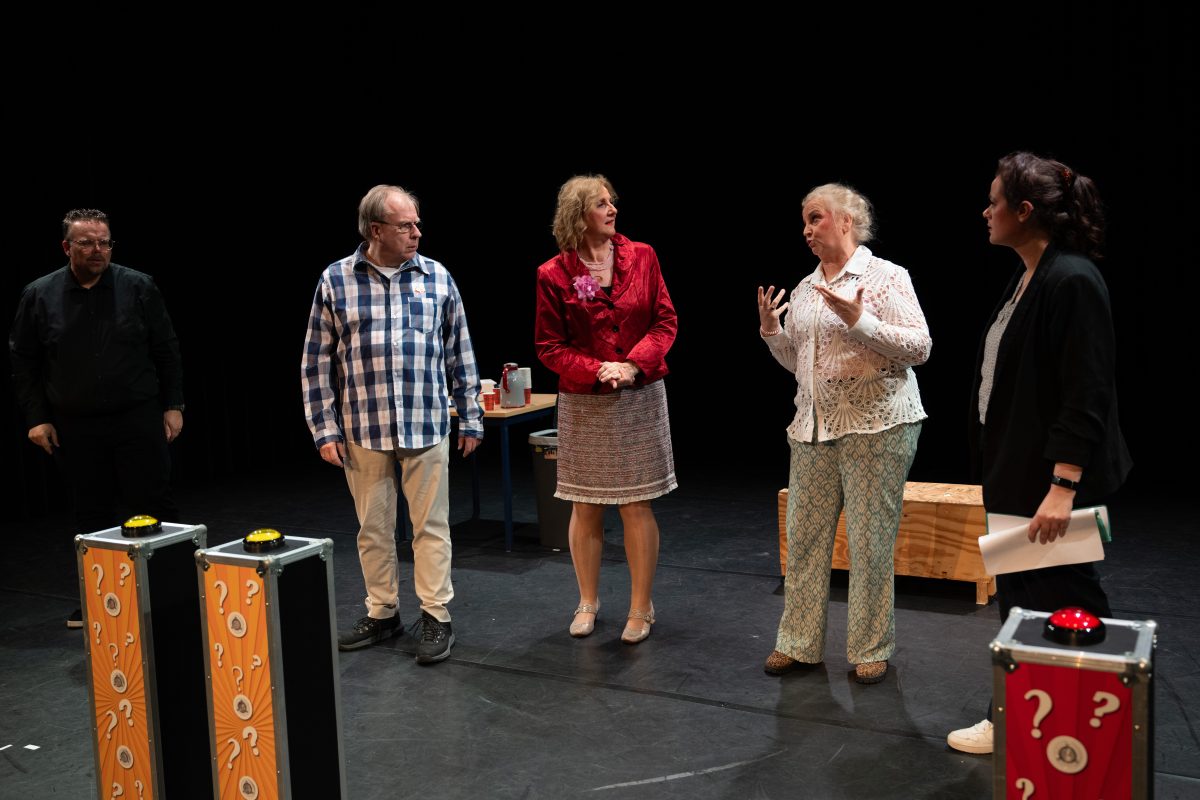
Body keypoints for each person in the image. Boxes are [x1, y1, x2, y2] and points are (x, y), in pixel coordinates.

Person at [947, 152, 1132, 753]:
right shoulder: (1028, 274)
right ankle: (1021, 718)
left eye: (994, 201)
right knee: (1022, 598)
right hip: (1015, 470)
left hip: (1050, 480)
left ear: (1024, 211)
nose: (986, 211)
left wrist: (1064, 484)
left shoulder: (1072, 279)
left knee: (1068, 597)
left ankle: (1094, 726)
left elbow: (1087, 391)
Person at [302, 184, 482, 664]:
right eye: (405, 226)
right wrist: (324, 429)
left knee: (432, 528)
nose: (417, 233)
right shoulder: (336, 280)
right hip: (364, 427)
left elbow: (459, 351)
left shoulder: (437, 277)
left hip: (425, 423)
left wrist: (471, 416)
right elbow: (316, 363)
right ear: (375, 229)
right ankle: (383, 613)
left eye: (417, 223)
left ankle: (437, 615)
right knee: (373, 530)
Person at [758, 183, 930, 684]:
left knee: (870, 541)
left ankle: (871, 647)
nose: (807, 230)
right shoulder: (806, 288)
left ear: (846, 221)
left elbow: (919, 347)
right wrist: (772, 332)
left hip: (878, 425)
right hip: (813, 428)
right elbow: (800, 364)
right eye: (804, 222)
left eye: (815, 218)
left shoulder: (886, 277)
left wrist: (860, 320)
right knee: (804, 539)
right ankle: (798, 643)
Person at [10, 208, 185, 628]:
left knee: (152, 505)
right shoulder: (39, 294)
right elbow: (24, 360)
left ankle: (166, 597)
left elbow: (166, 347)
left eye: (104, 242)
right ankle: (103, 603)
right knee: (92, 515)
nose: (97, 250)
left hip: (137, 416)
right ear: (66, 247)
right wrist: (36, 417)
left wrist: (173, 404)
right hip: (77, 423)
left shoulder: (138, 286)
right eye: (86, 243)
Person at [534, 174, 678, 645]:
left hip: (638, 394)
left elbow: (664, 321)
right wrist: (598, 369)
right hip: (587, 400)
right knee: (586, 504)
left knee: (637, 503)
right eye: (601, 203)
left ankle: (641, 606)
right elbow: (549, 346)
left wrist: (632, 365)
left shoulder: (644, 256)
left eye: (611, 201)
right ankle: (587, 601)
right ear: (578, 215)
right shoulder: (553, 273)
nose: (612, 208)